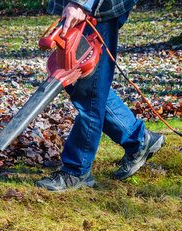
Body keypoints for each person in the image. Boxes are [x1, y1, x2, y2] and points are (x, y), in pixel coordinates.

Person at [36, 0, 165, 191]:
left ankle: (76, 170)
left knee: (89, 87)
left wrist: (81, 4)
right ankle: (138, 139)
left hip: (94, 8)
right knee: (78, 82)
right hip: (83, 7)